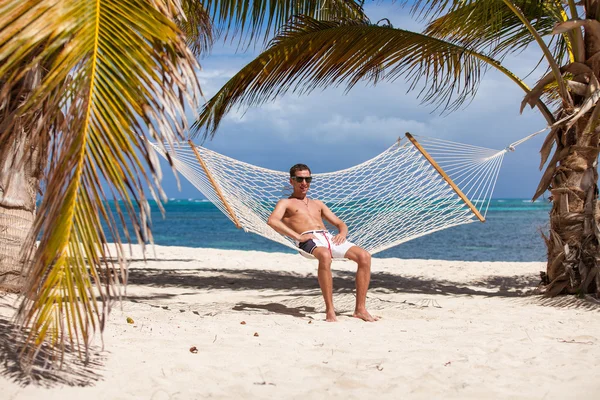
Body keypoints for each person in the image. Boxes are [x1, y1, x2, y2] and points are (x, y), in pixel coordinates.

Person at [267, 163, 379, 322]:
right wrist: (297, 237)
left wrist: (342, 233)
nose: (304, 183)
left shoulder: (317, 203)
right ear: (291, 181)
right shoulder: (285, 203)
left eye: (308, 179)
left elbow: (340, 223)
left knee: (364, 256)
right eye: (300, 179)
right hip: (308, 239)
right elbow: (272, 221)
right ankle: (330, 311)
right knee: (325, 256)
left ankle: (360, 309)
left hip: (328, 237)